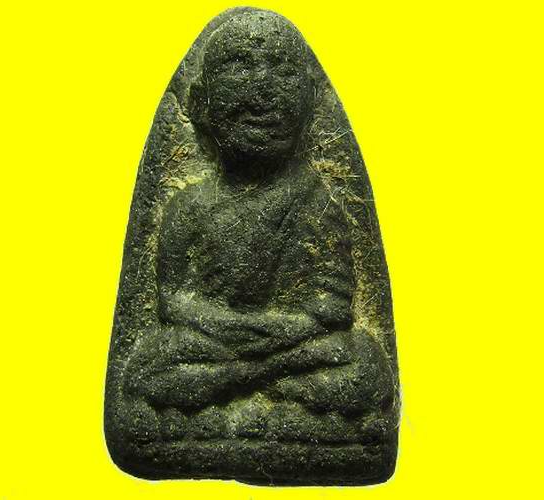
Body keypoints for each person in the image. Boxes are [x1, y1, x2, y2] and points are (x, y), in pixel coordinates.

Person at [123, 10, 393, 440]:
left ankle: (226, 397)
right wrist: (237, 332)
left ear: (310, 101)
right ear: (199, 103)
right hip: (219, 343)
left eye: (282, 71)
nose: (262, 87)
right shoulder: (187, 207)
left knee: (363, 364)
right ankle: (274, 399)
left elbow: (333, 306)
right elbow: (173, 301)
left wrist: (276, 336)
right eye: (239, 67)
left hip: (294, 347)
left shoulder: (317, 202)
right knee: (149, 362)